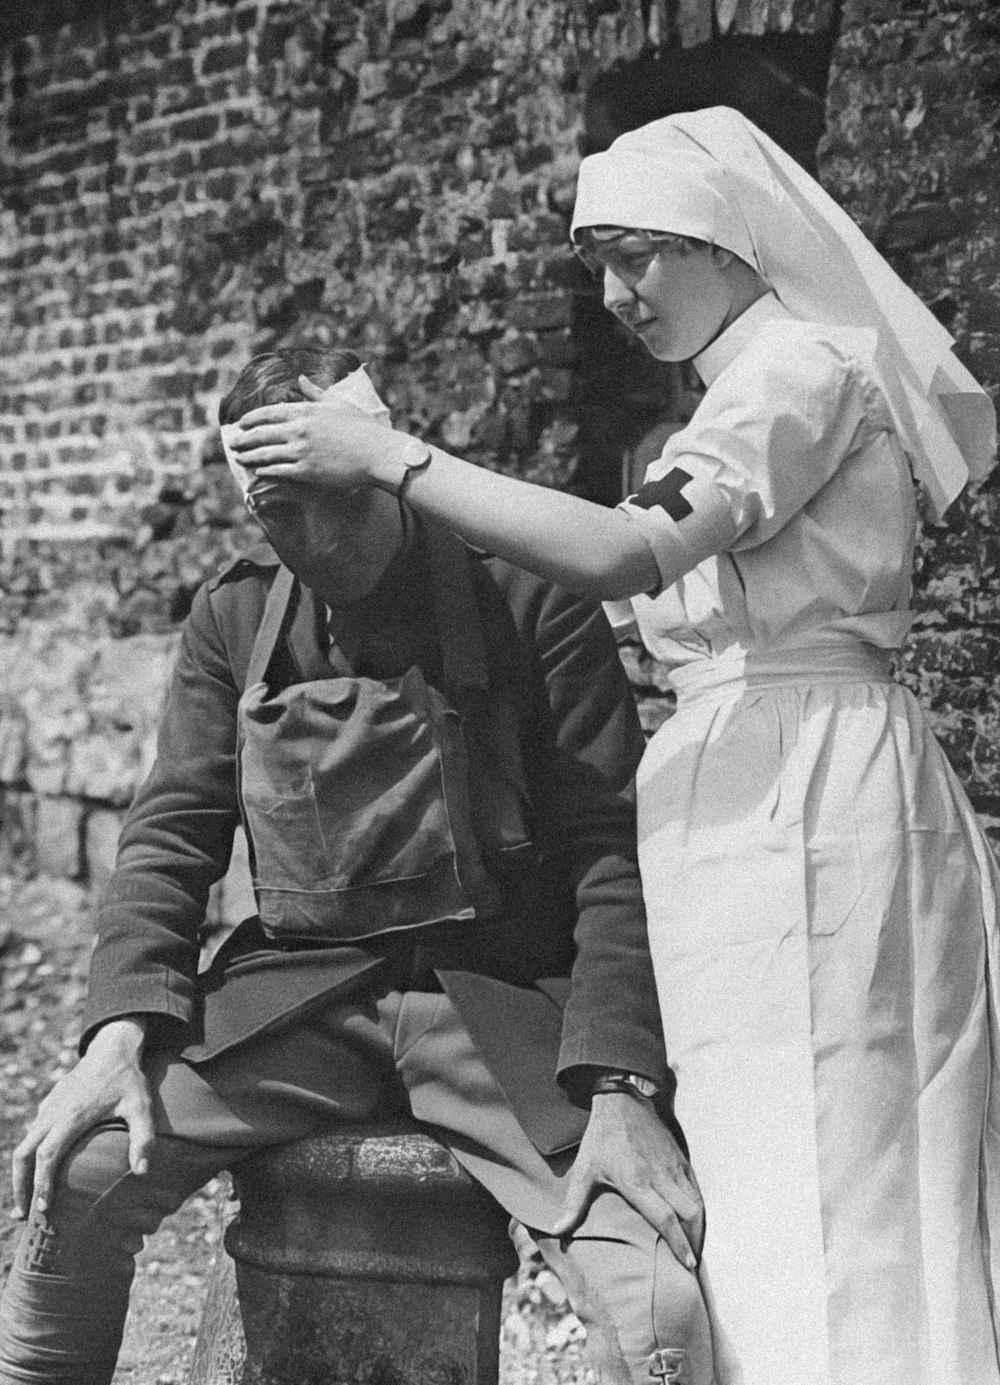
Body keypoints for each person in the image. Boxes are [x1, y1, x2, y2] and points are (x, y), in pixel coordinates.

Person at [225, 108, 1000, 1385]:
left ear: (732, 239)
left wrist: (389, 453)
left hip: (815, 783)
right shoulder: (723, 402)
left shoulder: (800, 370)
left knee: (840, 1161)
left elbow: (619, 554)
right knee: (752, 1159)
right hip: (733, 789)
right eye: (597, 261)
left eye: (639, 251)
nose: (615, 290)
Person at [0, 346, 719, 1385]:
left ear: (381, 465)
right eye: (281, 511)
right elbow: (173, 828)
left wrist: (619, 1081)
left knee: (656, 1307)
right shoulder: (235, 617)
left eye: (339, 496)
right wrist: (118, 1031)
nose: (318, 538)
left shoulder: (528, 593)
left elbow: (611, 843)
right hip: (298, 1002)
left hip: (507, 1006)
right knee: (72, 1178)